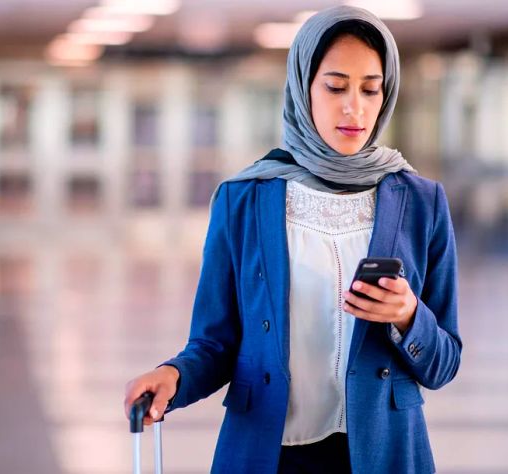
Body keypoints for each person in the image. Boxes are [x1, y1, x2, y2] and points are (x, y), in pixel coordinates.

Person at [123, 5, 461, 473]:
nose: (354, 107)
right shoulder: (243, 199)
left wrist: (407, 317)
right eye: (336, 86)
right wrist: (173, 375)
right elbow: (216, 343)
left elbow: (444, 362)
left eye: (370, 89)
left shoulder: (421, 202)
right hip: (270, 454)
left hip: (382, 455)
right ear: (304, 88)